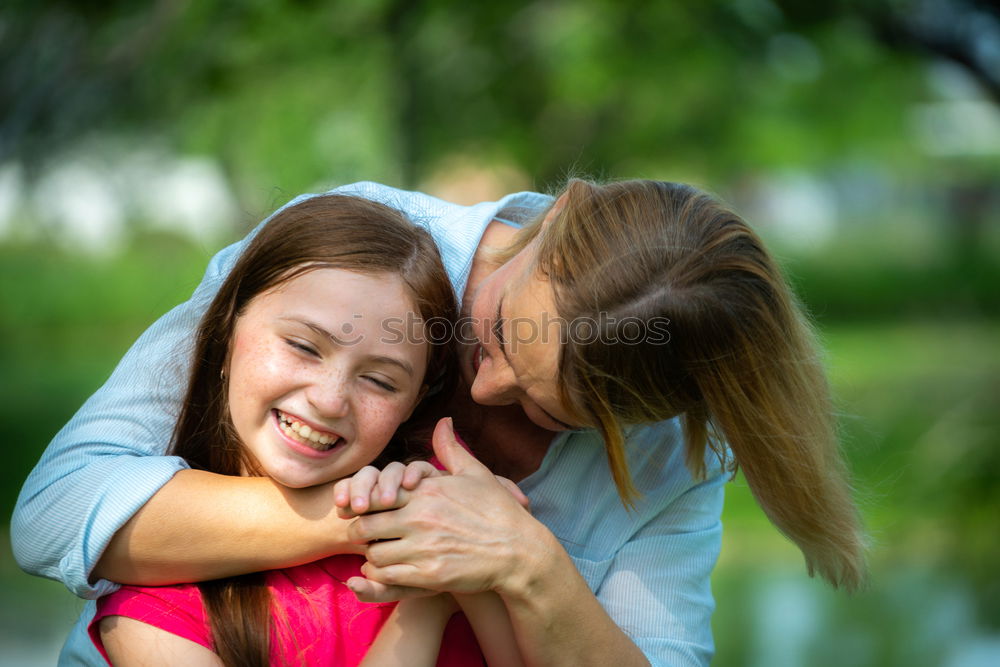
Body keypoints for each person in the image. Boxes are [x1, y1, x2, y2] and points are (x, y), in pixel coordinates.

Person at [13, 179, 867, 667]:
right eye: (498, 330)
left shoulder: (675, 452)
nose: (487, 389)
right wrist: (395, 516)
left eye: (546, 411)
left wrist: (531, 565)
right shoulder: (353, 255)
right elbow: (55, 511)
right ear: (560, 211)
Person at [85, 193, 526, 666]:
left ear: (414, 401)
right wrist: (424, 606)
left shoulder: (448, 511)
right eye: (303, 346)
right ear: (228, 330)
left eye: (379, 380)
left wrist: (469, 545)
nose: (329, 399)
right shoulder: (149, 602)